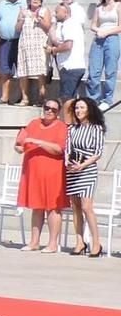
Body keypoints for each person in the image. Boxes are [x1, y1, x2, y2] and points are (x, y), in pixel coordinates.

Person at [15, 100, 69, 252]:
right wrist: (18, 147)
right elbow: (20, 142)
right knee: (37, 207)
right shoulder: (33, 123)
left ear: (58, 112)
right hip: (34, 172)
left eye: (53, 109)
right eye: (47, 108)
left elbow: (59, 149)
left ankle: (52, 243)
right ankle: (34, 242)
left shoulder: (61, 127)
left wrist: (37, 141)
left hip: (53, 173)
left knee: (53, 207)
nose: (50, 111)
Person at [63, 96, 107, 256]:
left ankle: (96, 243)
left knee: (87, 207)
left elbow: (98, 153)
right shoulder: (72, 129)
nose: (79, 111)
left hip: (87, 171)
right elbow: (67, 148)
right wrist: (67, 161)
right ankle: (79, 241)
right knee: (75, 207)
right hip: (72, 170)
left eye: (82, 108)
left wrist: (83, 165)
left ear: (89, 109)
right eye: (76, 108)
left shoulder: (96, 128)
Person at [13, 0, 51, 108]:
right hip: (25, 44)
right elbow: (18, 29)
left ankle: (42, 97)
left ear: (41, 1)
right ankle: (25, 98)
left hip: (39, 44)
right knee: (23, 72)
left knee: (41, 72)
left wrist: (39, 19)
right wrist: (22, 19)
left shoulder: (44, 11)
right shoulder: (23, 11)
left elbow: (48, 27)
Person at [51, 0, 89, 102]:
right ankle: (70, 120)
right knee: (71, 100)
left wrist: (53, 50)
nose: (55, 15)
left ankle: (66, 120)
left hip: (70, 67)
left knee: (66, 100)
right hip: (71, 66)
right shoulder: (66, 24)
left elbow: (68, 45)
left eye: (57, 12)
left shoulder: (69, 24)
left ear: (65, 13)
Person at [88, 0, 121, 108]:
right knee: (94, 71)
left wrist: (106, 32)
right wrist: (98, 31)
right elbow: (93, 25)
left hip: (112, 38)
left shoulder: (118, 6)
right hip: (99, 38)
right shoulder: (99, 8)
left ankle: (107, 100)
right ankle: (93, 99)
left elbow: (120, 26)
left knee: (110, 70)